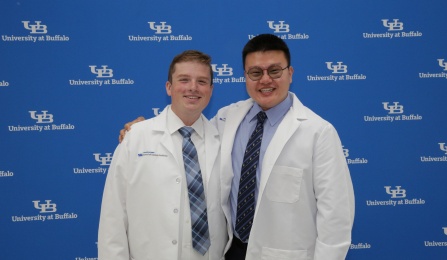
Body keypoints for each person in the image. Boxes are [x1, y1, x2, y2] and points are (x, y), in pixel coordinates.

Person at [120, 34, 355, 260]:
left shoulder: (318, 132)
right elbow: (185, 133)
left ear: (290, 73)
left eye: (274, 71)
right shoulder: (226, 120)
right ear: (245, 76)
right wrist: (141, 130)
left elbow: (336, 218)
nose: (265, 80)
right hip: (231, 251)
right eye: (255, 72)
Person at [98, 50, 228, 260]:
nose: (193, 87)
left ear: (211, 90)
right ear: (169, 87)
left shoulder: (225, 140)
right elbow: (113, 217)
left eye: (202, 81)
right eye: (184, 80)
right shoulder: (136, 138)